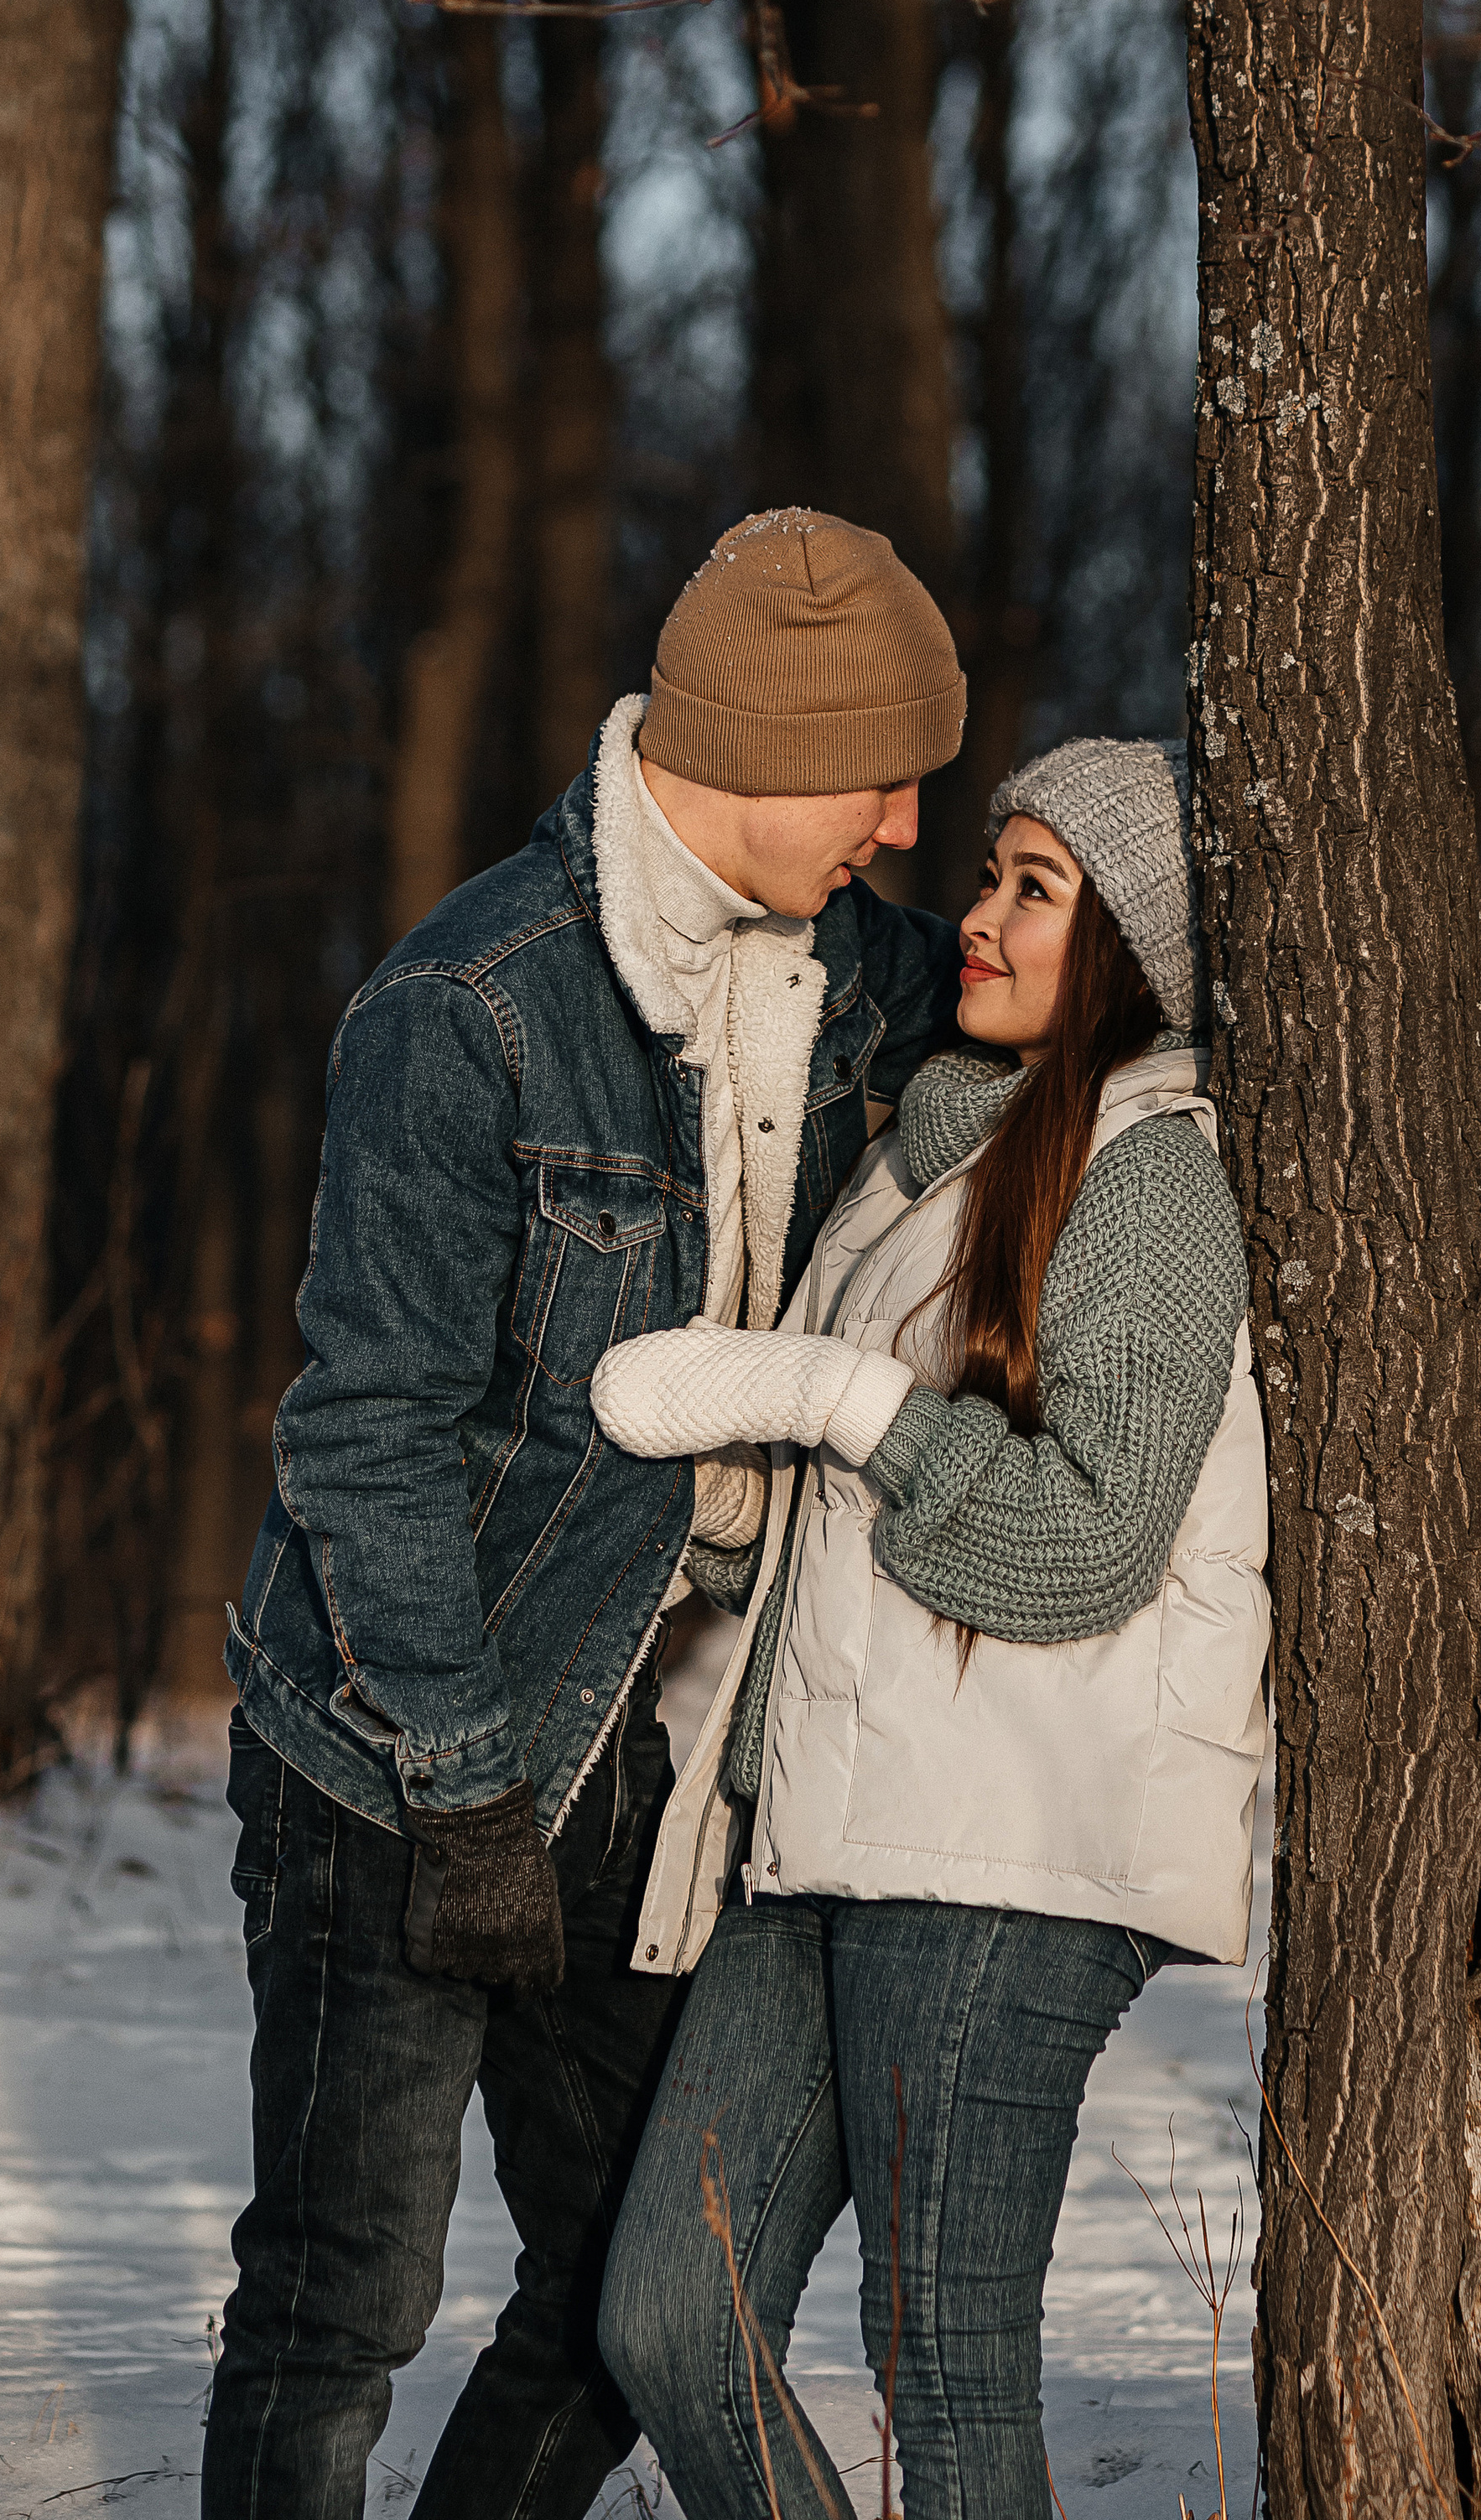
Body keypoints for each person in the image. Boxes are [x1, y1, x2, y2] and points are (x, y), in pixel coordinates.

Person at [201, 510, 968, 2520]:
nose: (906, 825)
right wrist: (462, 1796)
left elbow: (1081, 987)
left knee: (638, 2292)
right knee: (341, 2299)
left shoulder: (869, 984)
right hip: (396, 1739)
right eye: (881, 776)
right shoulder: (471, 1008)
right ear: (764, 752)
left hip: (648, 1738)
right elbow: (364, 1433)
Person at [588, 735, 1271, 2520]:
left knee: (947, 2371)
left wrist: (834, 1399)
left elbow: (1086, 1542)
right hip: (826, 1822)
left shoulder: (1152, 1178)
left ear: (1132, 946)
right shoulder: (931, 1152)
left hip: (1003, 1855)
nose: (976, 916)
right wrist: (729, 1527)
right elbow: (860, 1518)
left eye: (1034, 890)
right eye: (988, 874)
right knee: (669, 2319)